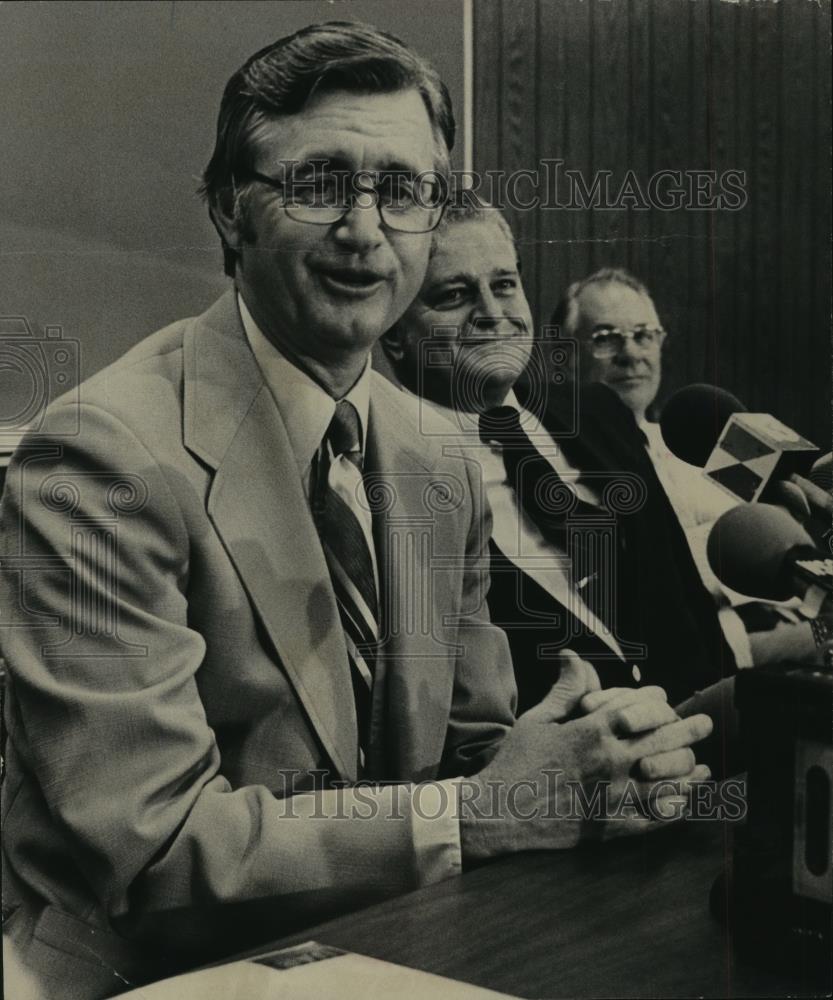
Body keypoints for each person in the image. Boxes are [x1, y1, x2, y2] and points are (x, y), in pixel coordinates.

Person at [0, 24, 711, 1000]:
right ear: (227, 210)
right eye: (319, 184)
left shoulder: (435, 455)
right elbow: (152, 857)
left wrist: (595, 755)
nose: (367, 230)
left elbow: (475, 756)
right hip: (140, 973)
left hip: (388, 943)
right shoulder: (99, 457)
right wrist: (479, 813)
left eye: (404, 190)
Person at [383, 204, 738, 712]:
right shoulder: (388, 475)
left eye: (504, 285)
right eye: (454, 296)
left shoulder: (597, 413)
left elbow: (690, 607)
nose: (492, 312)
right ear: (394, 331)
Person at [552, 268, 824, 672]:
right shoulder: (565, 461)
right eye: (606, 339)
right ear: (565, 357)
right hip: (719, 662)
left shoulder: (700, 433)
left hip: (808, 628)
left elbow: (803, 513)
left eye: (644, 334)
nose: (632, 354)